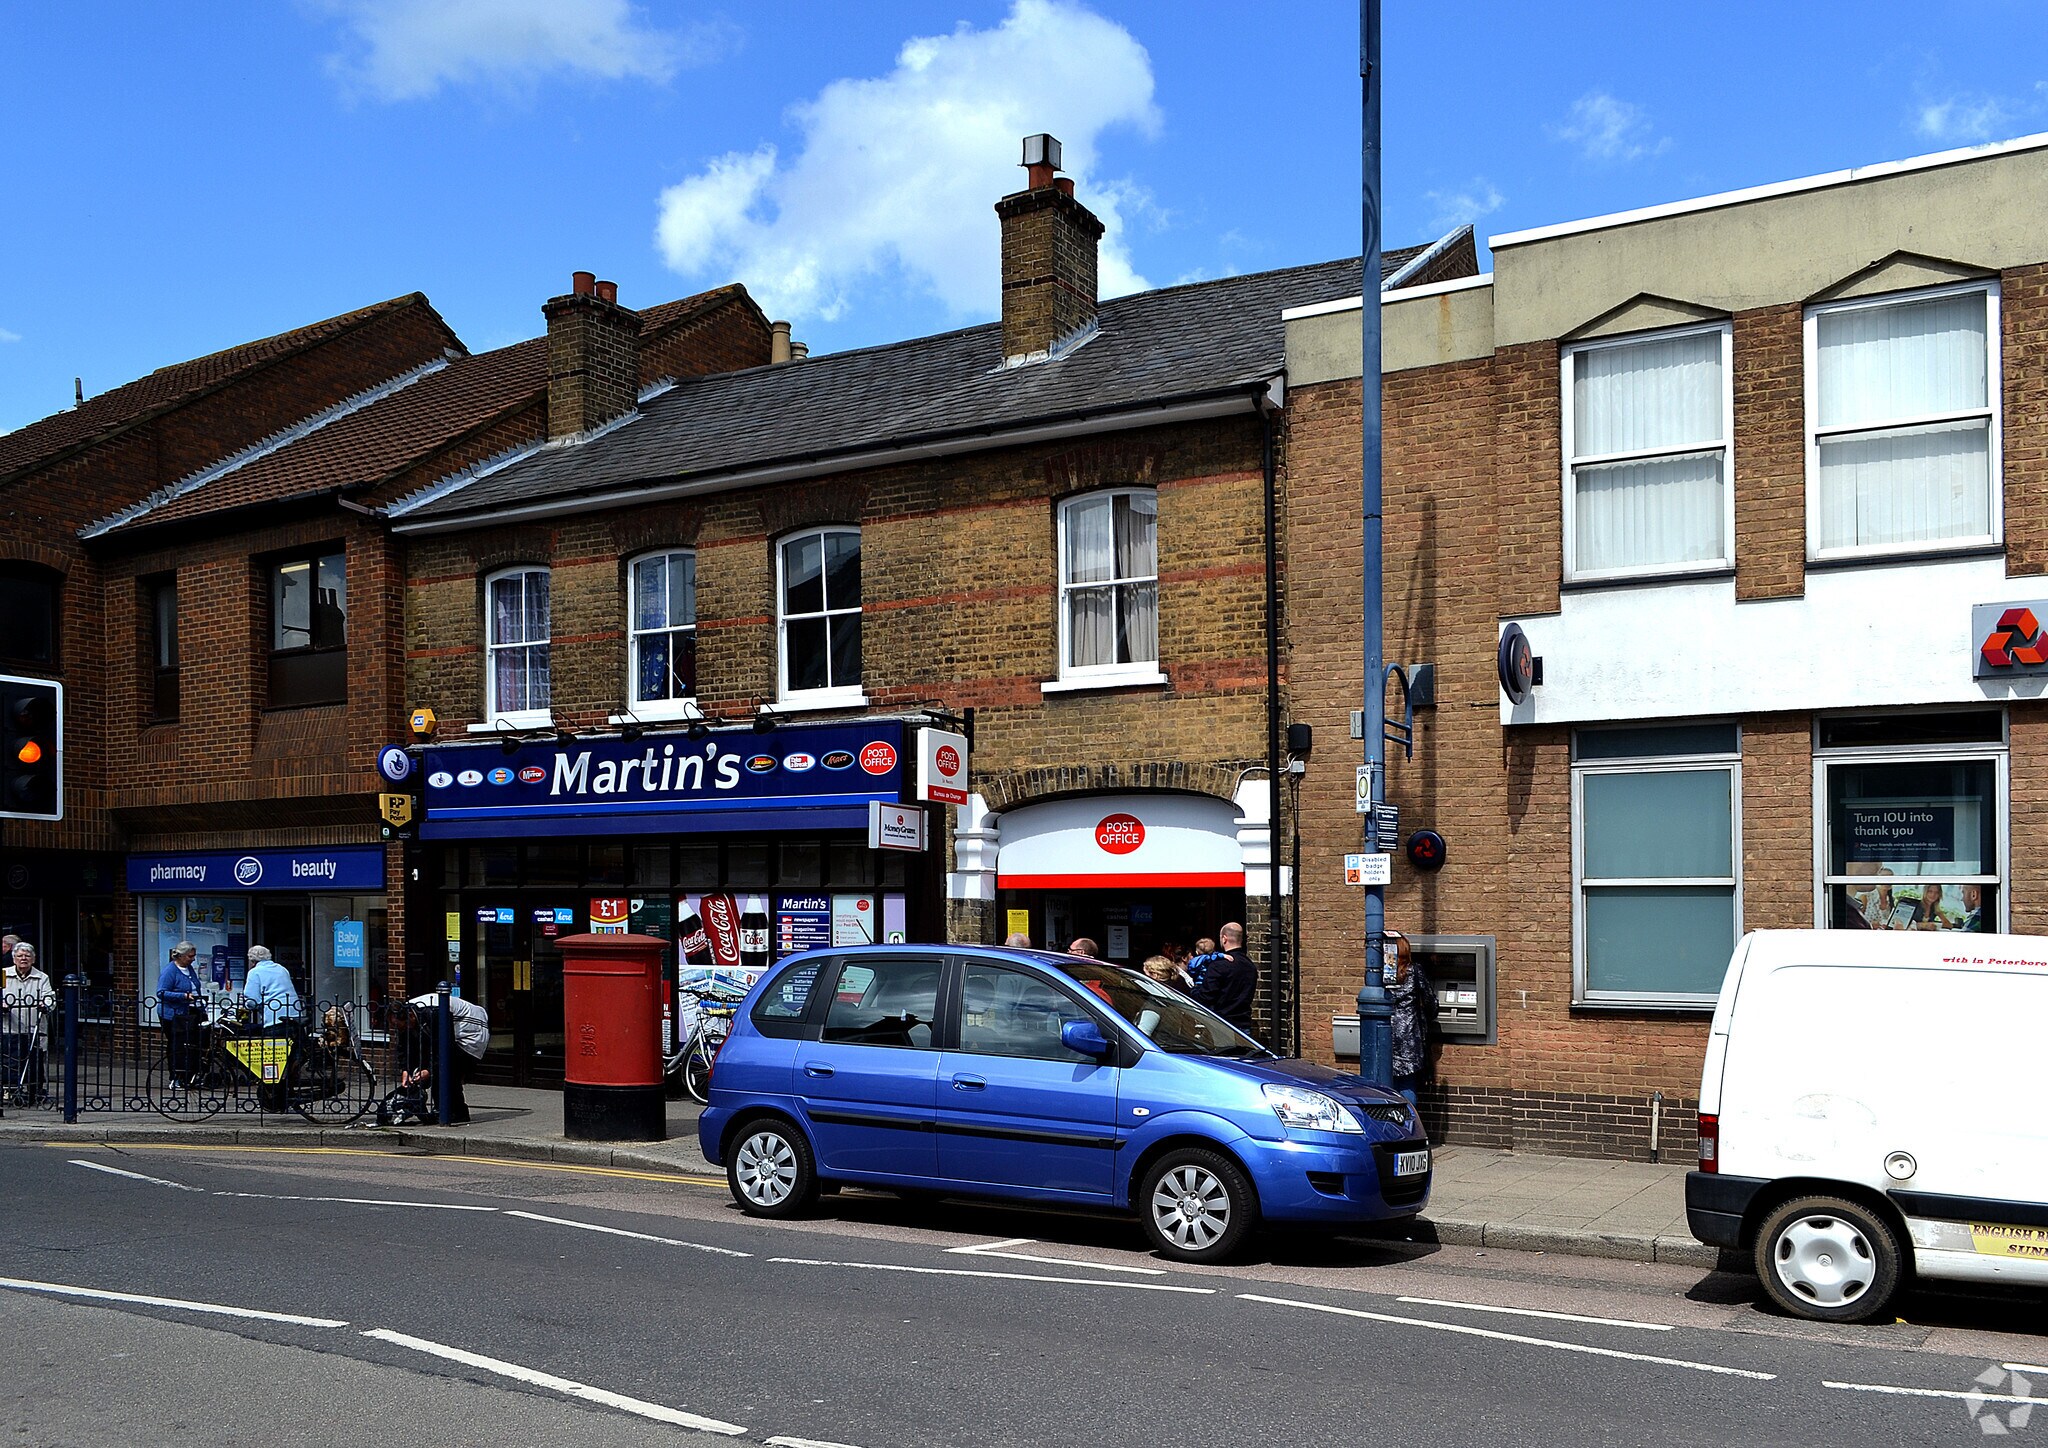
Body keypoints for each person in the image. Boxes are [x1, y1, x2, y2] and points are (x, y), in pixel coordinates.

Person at [406, 990, 490, 1124]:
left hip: (472, 1034)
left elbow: (445, 1047)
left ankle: (453, 1113)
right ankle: (446, 1111)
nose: (401, 1028)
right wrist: (406, 1070)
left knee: (448, 1072)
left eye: (400, 1025)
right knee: (439, 1072)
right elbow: (406, 1047)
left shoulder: (434, 1012)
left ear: (410, 1016)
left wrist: (429, 1070)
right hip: (454, 1032)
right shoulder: (408, 1012)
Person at [1385, 930, 1436, 1107]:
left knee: (1385, 1086)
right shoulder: (1414, 971)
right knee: (1407, 1085)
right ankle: (1408, 1127)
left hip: (1384, 1034)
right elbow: (1430, 1000)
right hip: (1409, 1037)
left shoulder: (1379, 974)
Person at [3, 941, 56, 1104]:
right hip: (9, 1027)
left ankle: (34, 1091)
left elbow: (49, 997)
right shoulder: (3, 974)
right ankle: (8, 1091)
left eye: (27, 956)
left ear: (33, 959)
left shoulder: (42, 977)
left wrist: (45, 1004)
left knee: (35, 1062)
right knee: (8, 1061)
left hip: (34, 1027)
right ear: (13, 959)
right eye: (19, 956)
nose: (23, 959)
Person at [1192, 922, 1257, 1033]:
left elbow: (1205, 997)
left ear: (1224, 938)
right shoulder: (1250, 965)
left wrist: (1194, 990)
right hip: (1244, 1025)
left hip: (1222, 1026)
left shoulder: (1218, 966)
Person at [156, 940, 206, 1084]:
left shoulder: (189, 968)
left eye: (194, 956)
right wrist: (182, 996)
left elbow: (194, 986)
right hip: (173, 1014)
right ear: (181, 956)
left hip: (189, 1012)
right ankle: (176, 1077)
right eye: (190, 956)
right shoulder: (169, 971)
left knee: (192, 1044)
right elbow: (161, 992)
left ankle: (190, 1075)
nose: (193, 959)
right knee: (177, 1045)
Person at [241, 945, 301, 1028]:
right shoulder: (282, 969)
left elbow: (252, 1000)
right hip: (295, 1014)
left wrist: (247, 1005)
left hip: (275, 1017)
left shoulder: (254, 972)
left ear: (252, 961)